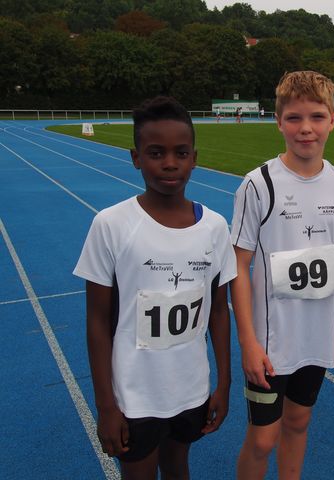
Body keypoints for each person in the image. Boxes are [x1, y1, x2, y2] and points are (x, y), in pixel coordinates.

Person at [73, 96, 237, 479]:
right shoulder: (111, 225)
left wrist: (224, 383)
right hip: (135, 395)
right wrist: (106, 405)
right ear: (136, 157)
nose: (169, 163)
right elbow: (97, 322)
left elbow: (217, 311)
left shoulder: (215, 227)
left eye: (181, 153)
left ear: (194, 158)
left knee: (178, 466)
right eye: (156, 153)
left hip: (191, 388)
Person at [230, 70, 334, 479]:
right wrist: (248, 341)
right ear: (278, 122)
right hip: (270, 342)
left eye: (317, 117)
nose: (306, 128)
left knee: (299, 422)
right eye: (294, 118)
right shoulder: (259, 185)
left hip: (316, 336)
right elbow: (238, 264)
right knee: (262, 439)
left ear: (333, 119)